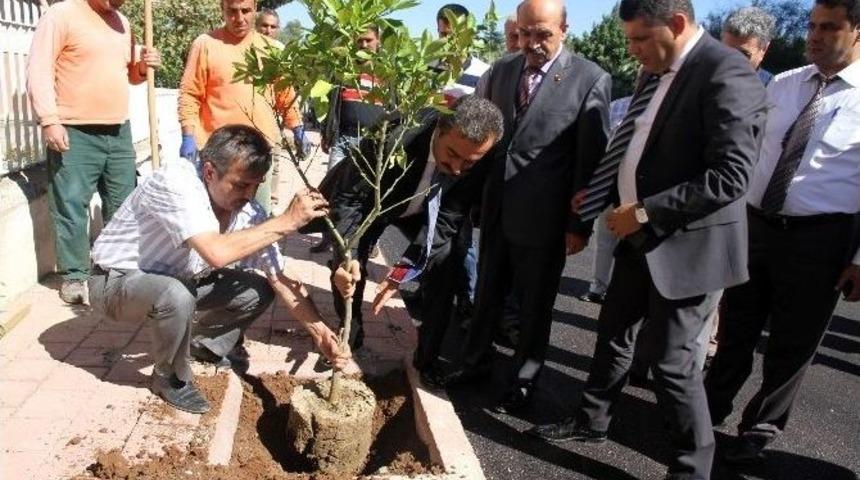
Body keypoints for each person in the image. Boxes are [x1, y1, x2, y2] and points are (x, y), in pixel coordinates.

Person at [527, 1, 768, 478]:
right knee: (614, 331)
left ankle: (690, 468)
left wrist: (642, 211)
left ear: (677, 24)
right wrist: (603, 193)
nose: (633, 51)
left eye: (640, 39)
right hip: (641, 238)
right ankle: (592, 420)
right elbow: (641, 149)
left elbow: (731, 175)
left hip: (687, 244)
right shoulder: (658, 70)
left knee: (673, 364)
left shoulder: (725, 73)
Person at [88, 125, 357, 414]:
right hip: (115, 284)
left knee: (258, 289)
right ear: (209, 171)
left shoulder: (248, 211)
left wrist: (320, 334)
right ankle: (170, 379)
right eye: (241, 185)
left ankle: (206, 346)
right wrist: (286, 222)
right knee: (176, 295)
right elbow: (216, 253)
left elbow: (279, 276)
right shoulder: (176, 182)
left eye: (256, 184)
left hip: (176, 281)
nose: (250, 194)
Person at [705, 0, 860, 465]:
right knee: (735, 328)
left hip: (822, 239)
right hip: (757, 226)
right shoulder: (787, 85)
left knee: (793, 343)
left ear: (858, 33)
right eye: (812, 25)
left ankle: (759, 429)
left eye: (828, 27)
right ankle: (707, 409)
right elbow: (751, 155)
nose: (814, 35)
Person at [441, 0, 611, 416]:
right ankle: (475, 364)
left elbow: (590, 160)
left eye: (543, 35)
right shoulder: (501, 71)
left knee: (534, 308)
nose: (532, 44)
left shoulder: (591, 79)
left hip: (546, 219)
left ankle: (523, 381)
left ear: (565, 30)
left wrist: (579, 224)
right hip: (496, 208)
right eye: (526, 33)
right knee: (487, 296)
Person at [309, 96, 503, 374]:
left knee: (447, 259)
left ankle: (428, 357)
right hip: (375, 203)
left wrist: (402, 272)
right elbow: (349, 200)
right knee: (350, 268)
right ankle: (350, 335)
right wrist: (347, 257)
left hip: (428, 210)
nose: (459, 168)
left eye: (469, 162)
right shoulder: (393, 134)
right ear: (440, 128)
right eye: (452, 154)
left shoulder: (480, 155)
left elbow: (449, 218)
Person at [26, 0, 162, 305]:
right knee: (72, 205)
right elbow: (39, 69)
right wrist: (49, 120)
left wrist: (143, 66)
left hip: (118, 128)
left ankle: (117, 268)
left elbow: (129, 73)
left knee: (124, 203)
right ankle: (75, 275)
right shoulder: (61, 15)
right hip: (74, 128)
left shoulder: (122, 22)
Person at [178, 0, 307, 215]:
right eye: (232, 11)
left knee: (257, 217)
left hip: (258, 150)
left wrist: (297, 126)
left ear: (255, 8)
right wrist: (188, 136)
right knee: (211, 219)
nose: (239, 18)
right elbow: (190, 93)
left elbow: (285, 95)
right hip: (217, 153)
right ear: (222, 9)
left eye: (245, 11)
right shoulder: (206, 44)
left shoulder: (272, 50)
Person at [312, 26, 387, 254]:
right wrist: (327, 132)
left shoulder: (387, 72)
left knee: (365, 196)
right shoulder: (343, 69)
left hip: (371, 144)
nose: (363, 45)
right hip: (343, 140)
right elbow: (331, 103)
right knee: (331, 193)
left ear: (378, 41)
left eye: (368, 40)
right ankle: (329, 238)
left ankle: (364, 242)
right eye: (359, 41)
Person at [578, 95, 632, 305]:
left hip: (636, 188)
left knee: (630, 245)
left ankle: (619, 291)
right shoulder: (618, 106)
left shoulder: (663, 103)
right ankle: (597, 287)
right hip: (611, 180)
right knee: (605, 240)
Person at [721, 6, 776, 86]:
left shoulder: (774, 90)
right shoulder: (701, 78)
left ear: (763, 49)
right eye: (725, 51)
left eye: (743, 55)